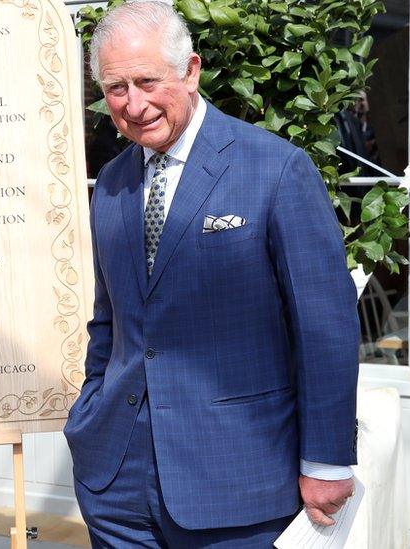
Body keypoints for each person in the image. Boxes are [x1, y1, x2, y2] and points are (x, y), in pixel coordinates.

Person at [63, 2, 359, 547]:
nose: (134, 104)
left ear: (191, 69)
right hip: (117, 484)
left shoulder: (275, 169)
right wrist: (90, 414)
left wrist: (327, 460)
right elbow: (111, 322)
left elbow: (325, 328)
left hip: (236, 479)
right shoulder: (111, 182)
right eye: (115, 88)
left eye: (148, 81)